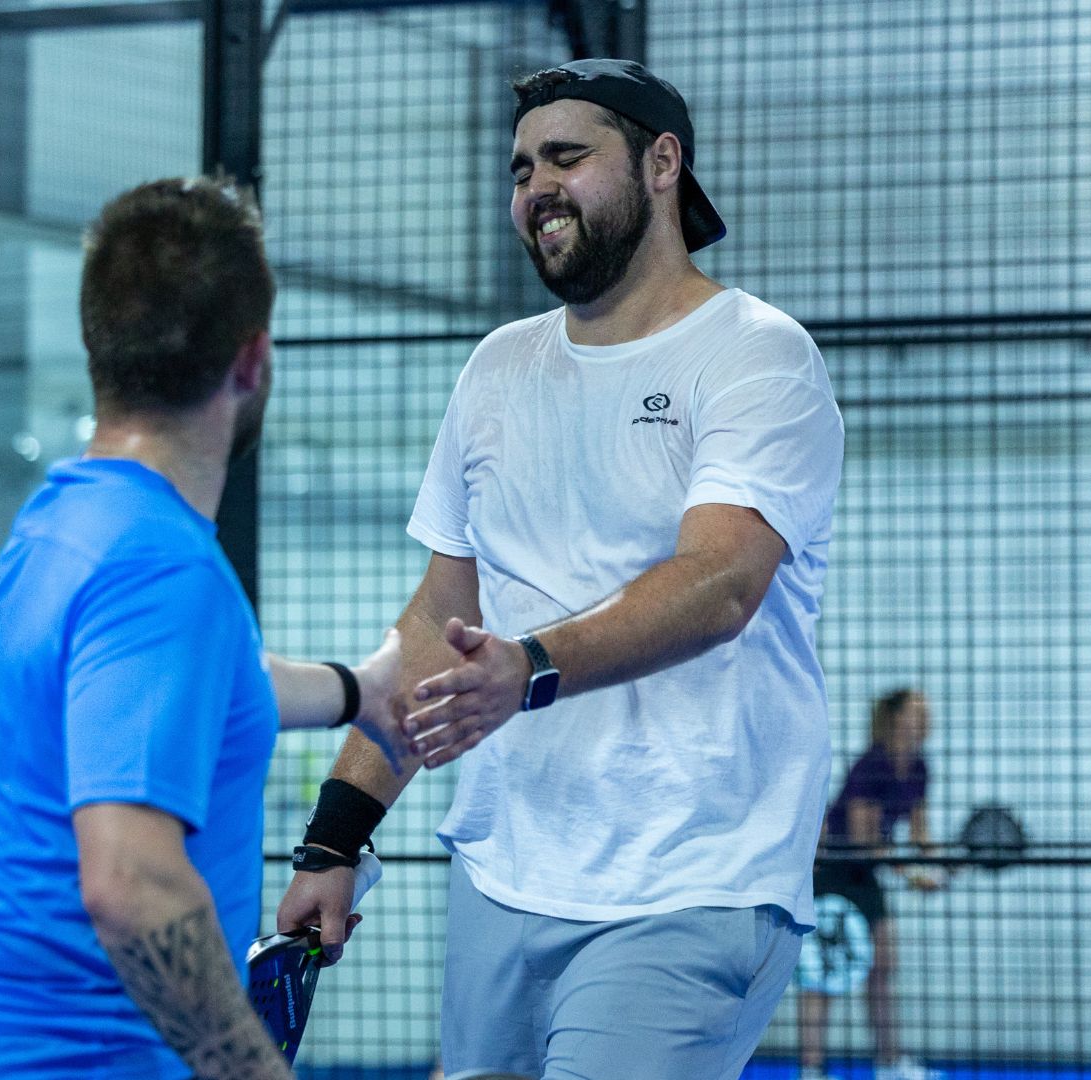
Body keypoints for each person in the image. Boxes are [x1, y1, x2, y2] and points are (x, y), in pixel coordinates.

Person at [277, 59, 845, 1080]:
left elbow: (720, 583)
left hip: (691, 884)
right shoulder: (498, 367)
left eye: (567, 157)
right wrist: (335, 838)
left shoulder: (757, 356)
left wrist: (528, 666)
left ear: (662, 162)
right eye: (520, 167)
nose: (535, 186)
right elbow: (434, 625)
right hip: (506, 876)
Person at [0, 177, 417, 1080]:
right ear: (253, 360)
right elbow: (131, 883)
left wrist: (359, 690)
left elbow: (186, 684)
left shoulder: (64, 522)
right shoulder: (163, 568)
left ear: (101, 347)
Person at [799, 688, 946, 1080]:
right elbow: (864, 839)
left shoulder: (919, 768)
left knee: (883, 965)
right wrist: (910, 875)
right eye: (917, 710)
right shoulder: (871, 766)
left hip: (868, 875)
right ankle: (812, 1071)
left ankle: (889, 1064)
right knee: (823, 974)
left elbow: (920, 833)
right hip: (834, 869)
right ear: (895, 718)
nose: (927, 716)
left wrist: (940, 867)